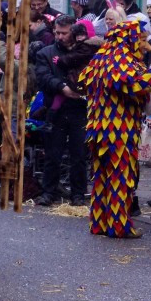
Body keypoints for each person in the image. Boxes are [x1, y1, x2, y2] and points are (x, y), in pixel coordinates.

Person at [78, 18, 151, 239]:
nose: (147, 46)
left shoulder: (99, 59)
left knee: (101, 176)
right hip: (118, 131)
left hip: (98, 129)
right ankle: (118, 225)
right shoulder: (120, 60)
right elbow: (132, 86)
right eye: (142, 40)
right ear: (131, 39)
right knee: (120, 176)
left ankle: (99, 222)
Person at [34, 15, 93, 207]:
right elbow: (43, 78)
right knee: (52, 154)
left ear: (73, 32)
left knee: (79, 155)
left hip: (79, 109)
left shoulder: (83, 51)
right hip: (56, 109)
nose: (59, 36)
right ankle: (48, 192)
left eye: (64, 33)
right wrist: (62, 88)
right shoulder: (46, 53)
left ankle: (78, 194)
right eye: (57, 32)